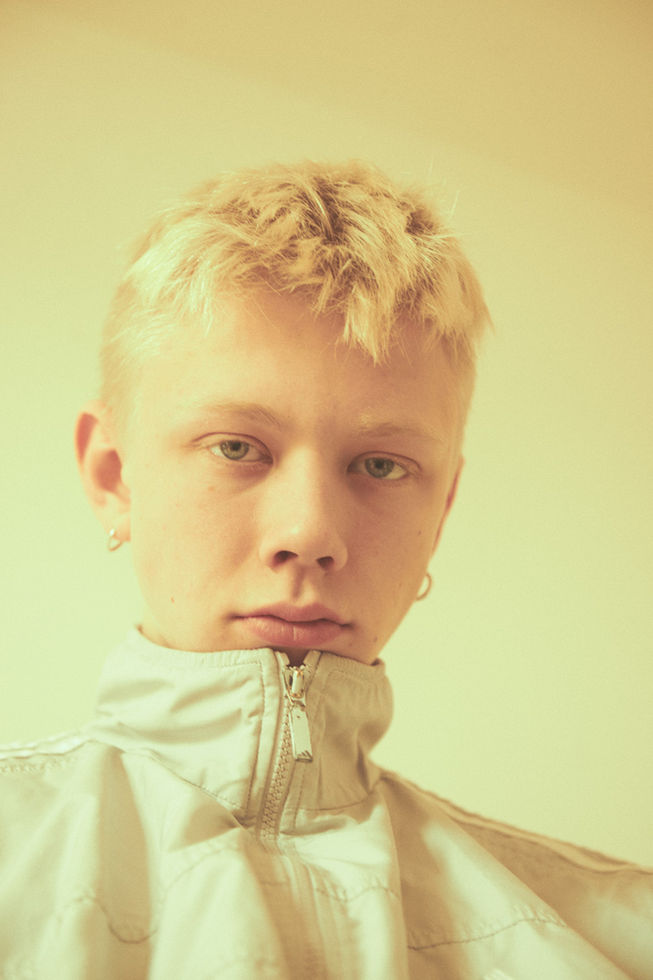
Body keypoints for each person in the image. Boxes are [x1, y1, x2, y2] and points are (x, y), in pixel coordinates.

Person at [0, 160, 650, 979]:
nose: (309, 534)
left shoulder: (616, 939)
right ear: (113, 475)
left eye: (380, 465)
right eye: (237, 447)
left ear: (441, 509)